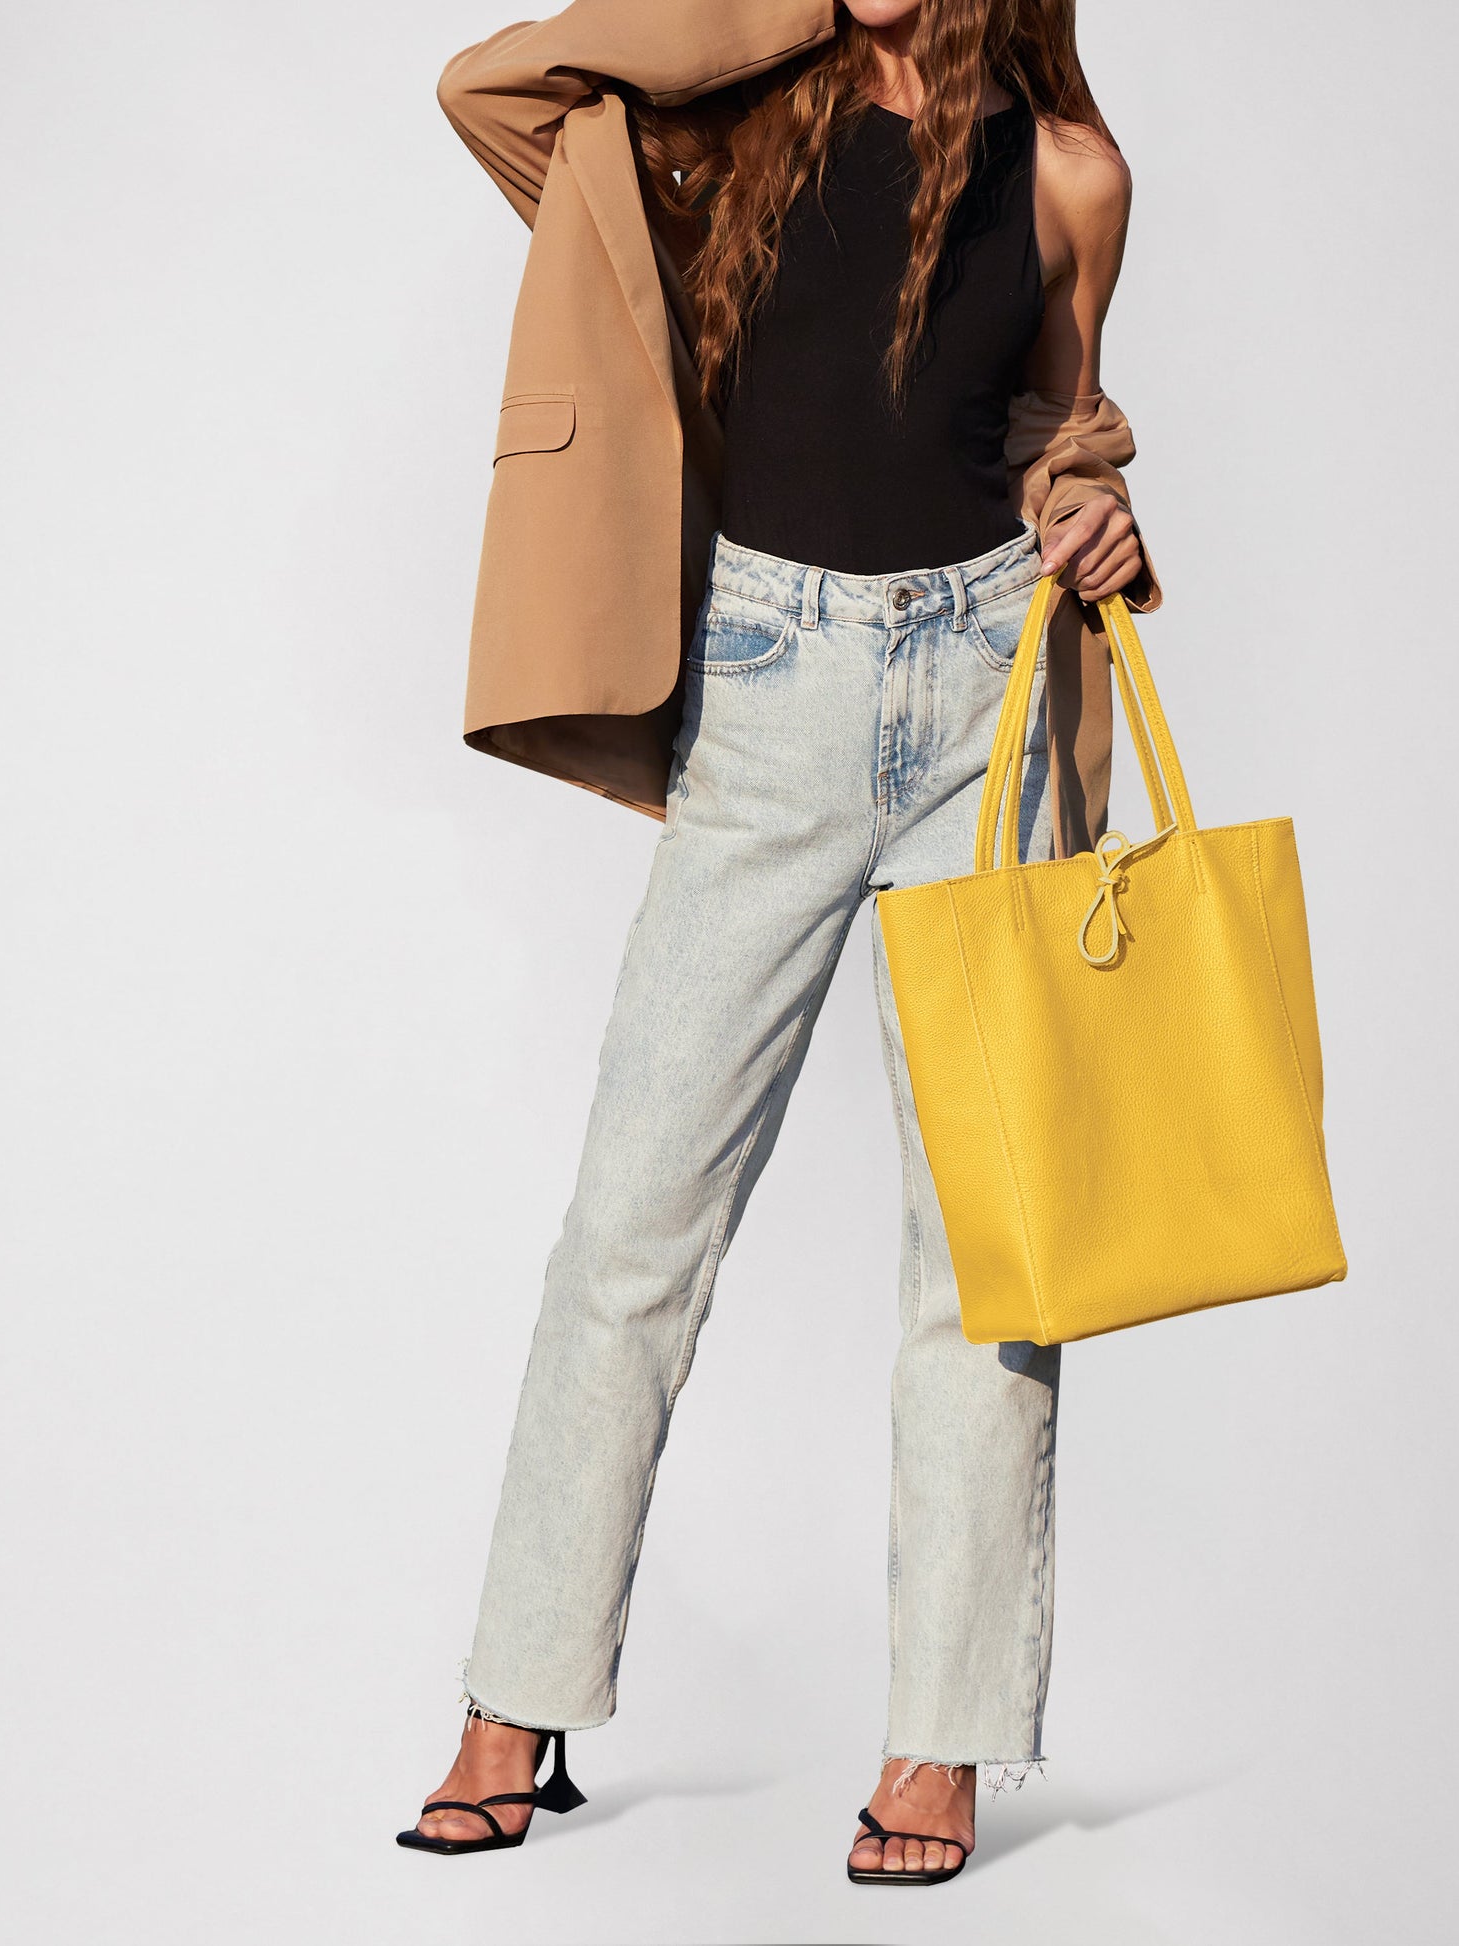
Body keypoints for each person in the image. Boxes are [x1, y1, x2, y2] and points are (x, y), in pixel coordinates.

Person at [398, 0, 1162, 1885]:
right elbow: (485, 88)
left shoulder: (1070, 173)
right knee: (630, 1228)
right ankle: (515, 1696)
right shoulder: (717, 133)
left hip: (982, 699)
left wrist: (1091, 511)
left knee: (985, 1254)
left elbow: (1050, 434)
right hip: (764, 688)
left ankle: (942, 1740)